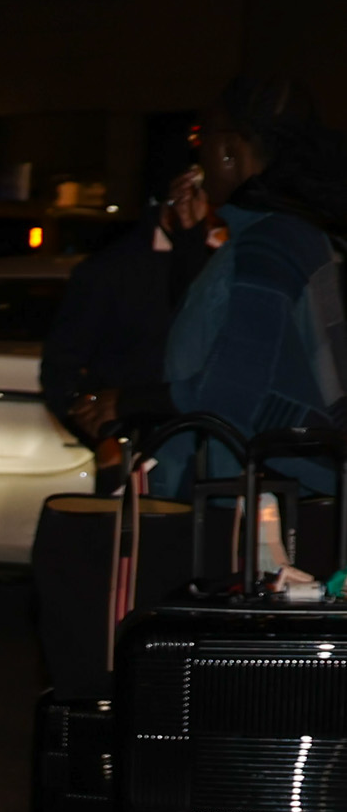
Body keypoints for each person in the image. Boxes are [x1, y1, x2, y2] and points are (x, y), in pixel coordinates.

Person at [159, 72, 347, 496]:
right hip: (286, 502)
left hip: (245, 514)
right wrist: (190, 246)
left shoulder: (270, 244)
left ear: (229, 151)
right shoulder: (304, 232)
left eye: (200, 139)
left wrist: (132, 402)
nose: (198, 157)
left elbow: (235, 388)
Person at [43, 167, 216, 440]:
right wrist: (102, 438)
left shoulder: (224, 262)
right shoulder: (111, 270)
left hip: (208, 438)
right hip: (135, 441)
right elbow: (62, 367)